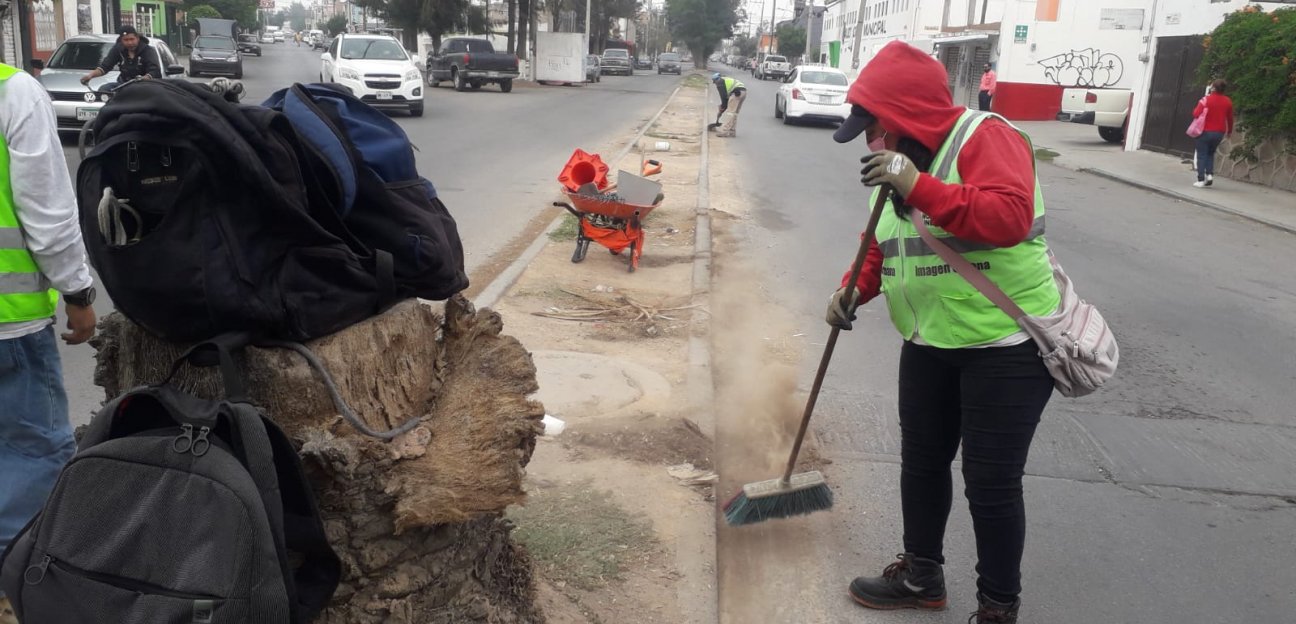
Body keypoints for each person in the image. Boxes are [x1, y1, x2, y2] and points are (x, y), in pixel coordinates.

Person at [827, 40, 1059, 624]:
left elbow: (1007, 216)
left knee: (991, 482)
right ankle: (922, 577)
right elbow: (883, 239)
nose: (869, 140)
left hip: (1004, 344)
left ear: (905, 116)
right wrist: (853, 287)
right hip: (929, 341)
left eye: (875, 127)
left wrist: (918, 184)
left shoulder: (987, 136)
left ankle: (998, 607)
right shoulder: (900, 162)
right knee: (922, 463)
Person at [0, 62, 98, 623]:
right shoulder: (14, 93)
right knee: (32, 456)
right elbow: (47, 213)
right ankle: (21, 591)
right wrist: (79, 291)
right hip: (8, 325)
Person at [79, 26, 161, 86]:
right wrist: (90, 76)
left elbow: (154, 71)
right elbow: (105, 67)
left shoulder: (148, 51)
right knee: (105, 89)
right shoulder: (118, 49)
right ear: (121, 40)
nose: (129, 43)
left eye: (132, 39)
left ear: (137, 38)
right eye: (126, 40)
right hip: (123, 85)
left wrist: (143, 78)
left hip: (146, 87)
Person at [1192, 79, 1234, 188]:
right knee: (1210, 153)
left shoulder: (1206, 100)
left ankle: (1201, 180)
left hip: (1204, 131)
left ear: (1213, 88)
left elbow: (1195, 113)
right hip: (1219, 132)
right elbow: (1230, 118)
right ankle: (1209, 175)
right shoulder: (1228, 101)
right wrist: (1229, 131)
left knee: (1201, 155)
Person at [713, 73, 746, 138]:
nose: (715, 84)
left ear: (716, 80)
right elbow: (725, 99)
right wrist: (722, 107)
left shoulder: (720, 82)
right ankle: (732, 132)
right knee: (735, 113)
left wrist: (721, 110)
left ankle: (725, 131)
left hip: (736, 94)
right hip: (743, 92)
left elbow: (724, 99)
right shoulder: (726, 79)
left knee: (730, 113)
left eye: (714, 82)